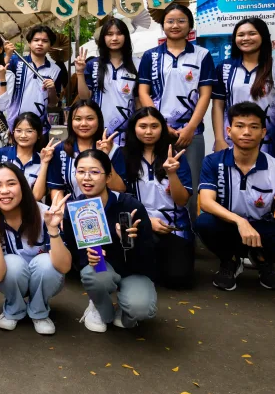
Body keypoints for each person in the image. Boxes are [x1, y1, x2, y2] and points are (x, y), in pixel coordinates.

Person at [196, 102, 275, 291]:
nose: (246, 132)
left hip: (262, 228)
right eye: (240, 126)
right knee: (204, 223)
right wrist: (240, 222)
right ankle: (230, 260)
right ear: (229, 131)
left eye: (254, 127)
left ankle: (261, 258)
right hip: (228, 225)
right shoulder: (213, 161)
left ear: (263, 133)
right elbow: (206, 202)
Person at [61, 149, 157, 332]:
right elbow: (75, 251)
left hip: (134, 270)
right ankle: (100, 309)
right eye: (81, 171)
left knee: (139, 309)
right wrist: (89, 257)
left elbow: (148, 256)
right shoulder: (77, 208)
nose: (86, 178)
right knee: (92, 274)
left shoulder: (129, 206)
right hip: (103, 267)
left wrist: (129, 242)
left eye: (94, 172)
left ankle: (126, 306)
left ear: (108, 177)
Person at [138, 3, 215, 208]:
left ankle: (188, 227)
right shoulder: (151, 56)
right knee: (157, 183)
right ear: (163, 25)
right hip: (157, 132)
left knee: (191, 187)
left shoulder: (202, 55)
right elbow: (143, 92)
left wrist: (190, 128)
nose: (175, 25)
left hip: (191, 133)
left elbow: (205, 94)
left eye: (181, 21)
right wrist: (161, 125)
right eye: (170, 21)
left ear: (190, 25)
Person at [0, 163, 71, 334]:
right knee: (12, 263)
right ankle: (14, 309)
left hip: (45, 279)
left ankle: (39, 311)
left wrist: (53, 229)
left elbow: (64, 266)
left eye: (11, 183)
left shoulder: (46, 214)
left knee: (46, 262)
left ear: (23, 186)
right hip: (11, 278)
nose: (4, 191)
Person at [121, 107, 195, 289]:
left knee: (179, 279)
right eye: (143, 126)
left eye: (154, 126)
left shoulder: (176, 156)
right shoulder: (123, 156)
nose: (148, 131)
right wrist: (147, 221)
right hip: (138, 224)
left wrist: (172, 174)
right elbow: (119, 197)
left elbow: (182, 201)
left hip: (173, 228)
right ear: (133, 128)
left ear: (163, 128)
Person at [211, 17, 275, 160]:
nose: (246, 38)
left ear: (263, 36)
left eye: (252, 33)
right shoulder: (225, 67)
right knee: (231, 174)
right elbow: (218, 106)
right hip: (231, 140)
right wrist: (219, 139)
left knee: (265, 174)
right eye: (241, 35)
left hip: (267, 142)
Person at [47, 99, 126, 201]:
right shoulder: (60, 150)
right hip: (72, 209)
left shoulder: (113, 149)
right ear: (71, 122)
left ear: (99, 120)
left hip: (107, 209)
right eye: (78, 119)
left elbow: (120, 188)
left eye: (90, 118)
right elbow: (56, 188)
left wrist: (104, 156)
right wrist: (62, 210)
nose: (83, 123)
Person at [76, 17, 138, 144]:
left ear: (126, 37)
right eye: (109, 34)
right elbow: (85, 97)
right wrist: (80, 73)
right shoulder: (93, 64)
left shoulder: (137, 63)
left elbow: (139, 101)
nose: (114, 38)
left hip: (127, 133)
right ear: (103, 38)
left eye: (119, 33)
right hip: (98, 131)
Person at [3, 25, 67, 130]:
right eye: (36, 40)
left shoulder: (56, 70)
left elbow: (53, 104)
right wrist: (8, 56)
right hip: (14, 124)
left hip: (40, 127)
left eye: (45, 41)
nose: (40, 43)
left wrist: (52, 89)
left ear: (50, 45)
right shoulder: (16, 61)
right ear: (29, 43)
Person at [0, 111, 54, 201]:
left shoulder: (43, 160)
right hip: (2, 205)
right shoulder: (0, 154)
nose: (23, 135)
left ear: (39, 134)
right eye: (18, 131)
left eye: (29, 131)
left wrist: (44, 163)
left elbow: (37, 196)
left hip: (30, 207)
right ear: (13, 132)